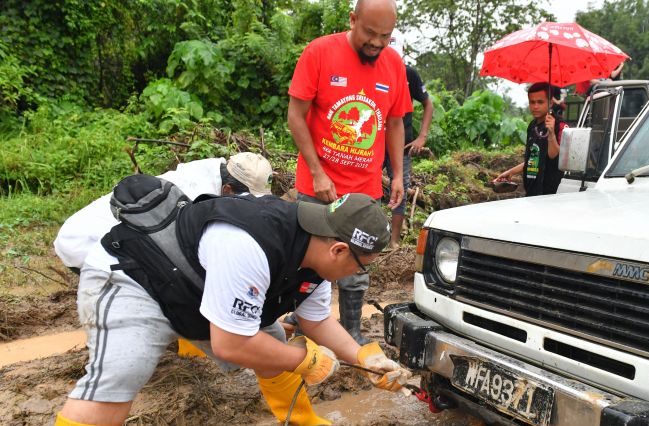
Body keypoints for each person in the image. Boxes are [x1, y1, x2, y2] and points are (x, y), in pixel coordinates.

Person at [31, 181, 410, 426]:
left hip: (199, 291)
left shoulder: (315, 259)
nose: (356, 275)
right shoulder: (251, 243)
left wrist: (364, 357)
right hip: (138, 278)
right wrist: (304, 362)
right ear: (339, 248)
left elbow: (315, 321)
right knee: (122, 371)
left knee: (275, 336)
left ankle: (298, 418)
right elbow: (232, 345)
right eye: (362, 267)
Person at [287, 0, 412, 344]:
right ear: (353, 20)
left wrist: (398, 175)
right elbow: (296, 116)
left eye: (384, 36)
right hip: (318, 185)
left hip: (364, 190)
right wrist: (317, 172)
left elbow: (395, 122)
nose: (376, 43)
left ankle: (351, 333)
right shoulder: (319, 52)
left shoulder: (394, 65)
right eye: (369, 33)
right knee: (309, 262)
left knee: (356, 266)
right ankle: (303, 329)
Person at [54, 152, 274, 272]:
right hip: (85, 244)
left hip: (85, 235)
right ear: (227, 189)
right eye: (243, 198)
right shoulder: (192, 197)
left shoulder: (214, 171)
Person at [382, 34, 434, 248]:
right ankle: (369, 236)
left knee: (400, 188)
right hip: (373, 142)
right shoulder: (374, 68)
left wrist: (422, 136)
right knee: (368, 189)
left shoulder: (409, 73)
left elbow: (428, 103)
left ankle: (394, 240)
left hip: (401, 143)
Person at [494, 83, 568, 197]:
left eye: (540, 102)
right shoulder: (532, 126)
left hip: (550, 194)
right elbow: (533, 159)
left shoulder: (560, 126)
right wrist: (510, 172)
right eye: (532, 102)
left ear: (551, 103)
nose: (535, 106)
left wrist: (551, 133)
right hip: (531, 191)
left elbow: (554, 156)